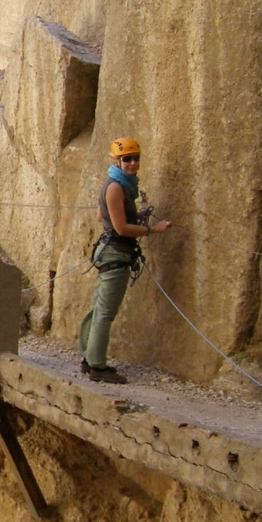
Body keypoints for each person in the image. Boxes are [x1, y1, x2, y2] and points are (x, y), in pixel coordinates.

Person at [78, 136, 172, 383]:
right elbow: (120, 228)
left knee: (98, 307)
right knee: (105, 311)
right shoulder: (116, 188)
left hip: (111, 251)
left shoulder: (118, 185)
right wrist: (154, 229)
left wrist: (135, 214)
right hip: (116, 252)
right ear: (116, 161)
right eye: (127, 159)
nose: (132, 163)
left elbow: (101, 215)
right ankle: (97, 365)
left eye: (135, 158)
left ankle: (89, 358)